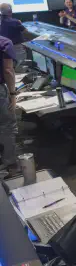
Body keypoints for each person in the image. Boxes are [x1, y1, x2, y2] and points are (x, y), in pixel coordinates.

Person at [0, 35, 17, 174]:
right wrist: (12, 94)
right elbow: (8, 70)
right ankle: (10, 164)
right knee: (8, 126)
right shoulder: (4, 42)